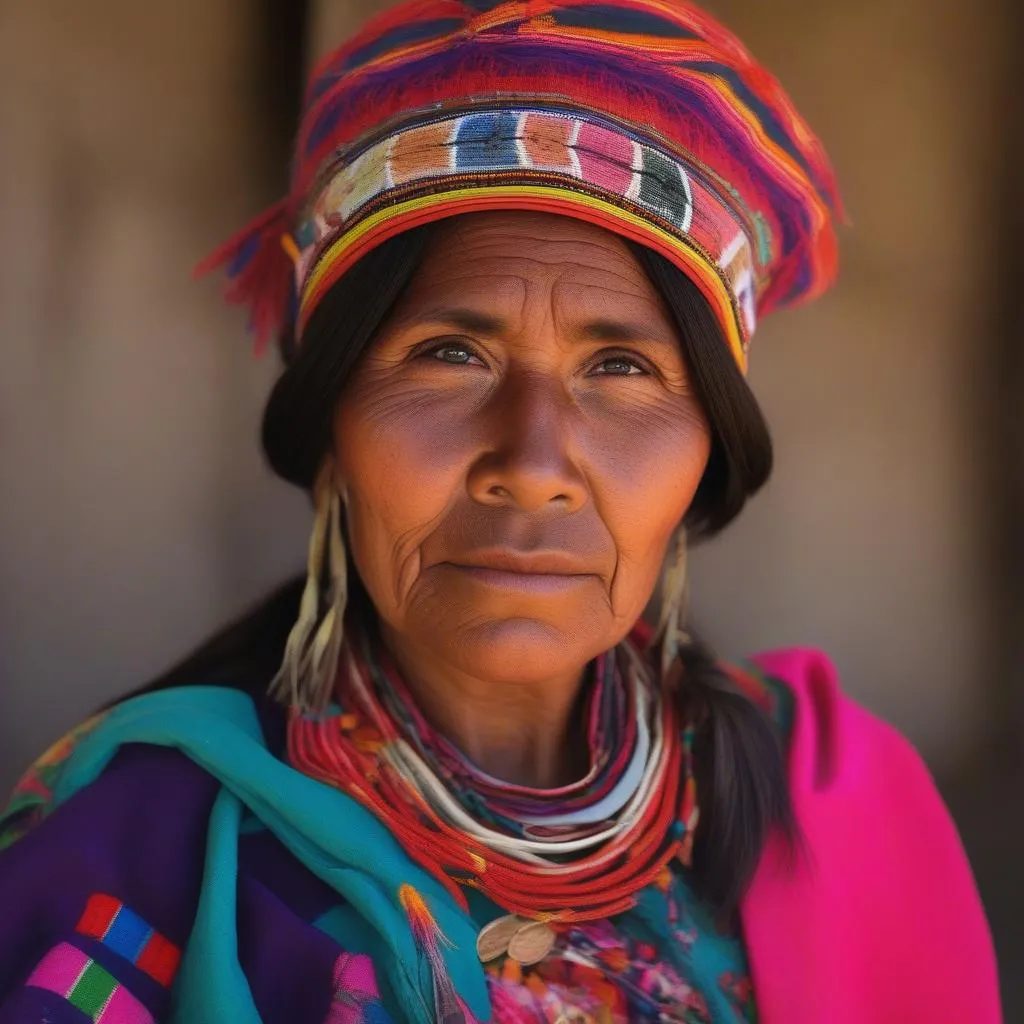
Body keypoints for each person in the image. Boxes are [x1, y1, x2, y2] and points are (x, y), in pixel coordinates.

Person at [0, 1, 1001, 1021]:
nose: (531, 465)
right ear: (333, 436)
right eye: (450, 355)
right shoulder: (139, 850)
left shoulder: (837, 805)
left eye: (620, 366)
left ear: (705, 455)